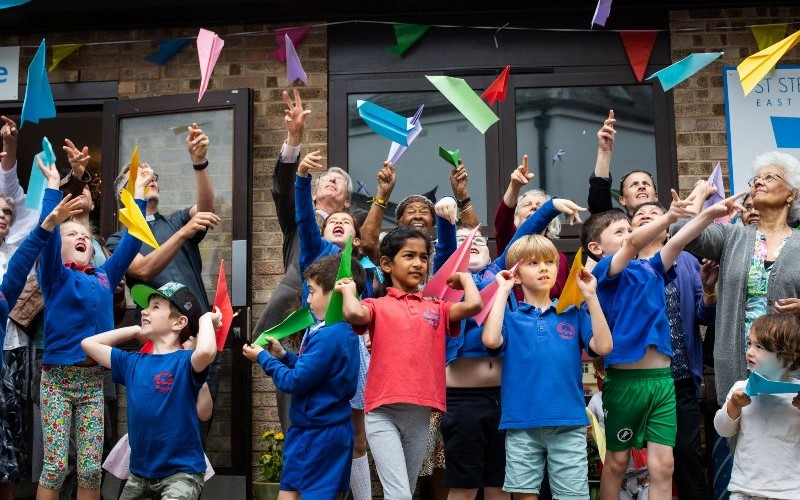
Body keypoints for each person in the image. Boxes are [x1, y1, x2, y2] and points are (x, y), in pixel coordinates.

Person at [580, 187, 727, 500]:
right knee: (618, 461)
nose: (630, 234)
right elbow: (636, 242)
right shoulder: (605, 272)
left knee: (664, 465)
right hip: (625, 383)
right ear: (596, 247)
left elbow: (676, 241)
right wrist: (671, 215)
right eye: (619, 230)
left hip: (663, 382)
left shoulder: (651, 269)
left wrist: (709, 215)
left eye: (629, 229)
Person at [337, 227, 482, 500]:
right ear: (386, 264)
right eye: (409, 256)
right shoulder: (376, 305)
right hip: (382, 412)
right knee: (400, 494)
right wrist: (348, 290)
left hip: (420, 414)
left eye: (424, 257)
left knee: (407, 489)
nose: (418, 263)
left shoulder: (437, 307)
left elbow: (474, 306)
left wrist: (465, 279)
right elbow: (354, 313)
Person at [35, 161, 149, 500]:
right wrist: (53, 188)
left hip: (91, 383)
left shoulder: (103, 276)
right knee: (55, 466)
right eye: (72, 235)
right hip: (57, 381)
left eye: (85, 234)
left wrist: (137, 194)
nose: (81, 236)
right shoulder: (55, 276)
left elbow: (131, 242)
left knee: (88, 467)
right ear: (60, 246)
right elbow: (45, 238)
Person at [250, 90, 353, 434]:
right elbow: (282, 189)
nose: (331, 180)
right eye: (326, 177)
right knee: (293, 410)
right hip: (295, 321)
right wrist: (294, 139)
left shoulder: (353, 235)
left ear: (348, 202)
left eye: (338, 181)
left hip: (341, 328)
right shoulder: (299, 222)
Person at [481, 234, 612, 500]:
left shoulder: (573, 312)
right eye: (533, 263)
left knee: (572, 497)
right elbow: (491, 340)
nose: (544, 268)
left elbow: (604, 346)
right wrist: (502, 291)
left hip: (568, 422)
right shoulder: (510, 315)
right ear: (516, 275)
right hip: (521, 424)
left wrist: (591, 297)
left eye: (549, 262)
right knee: (524, 496)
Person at [670, 151, 800, 407]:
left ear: (791, 194)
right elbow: (679, 233)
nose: (758, 182)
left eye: (769, 177)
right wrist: (701, 196)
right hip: (738, 366)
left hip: (791, 369)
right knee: (738, 438)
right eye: (756, 179)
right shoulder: (732, 237)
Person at [80, 281, 220, 500]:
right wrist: (135, 330)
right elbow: (89, 344)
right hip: (139, 475)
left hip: (181, 473)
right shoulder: (132, 362)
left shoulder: (185, 361)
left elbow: (206, 351)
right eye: (146, 307)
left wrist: (205, 320)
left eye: (155, 307)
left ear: (179, 322)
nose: (144, 310)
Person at [243, 254, 366, 499]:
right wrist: (282, 355)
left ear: (335, 295)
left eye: (312, 291)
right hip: (310, 431)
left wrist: (263, 359)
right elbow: (313, 373)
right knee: (288, 492)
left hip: (320, 435)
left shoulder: (330, 336)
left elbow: (294, 381)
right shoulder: (338, 332)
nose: (307, 299)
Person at [0, 179, 82, 500]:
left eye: (7, 212)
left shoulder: (6, 288)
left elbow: (20, 266)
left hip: (13, 359)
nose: (3, 217)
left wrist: (48, 221)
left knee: (9, 443)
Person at [630, 201, 715, 498]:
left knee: (688, 456)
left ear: (667, 230)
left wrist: (708, 291)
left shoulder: (688, 262)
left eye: (654, 215)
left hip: (679, 381)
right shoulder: (623, 267)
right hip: (636, 382)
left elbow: (704, 317)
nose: (646, 218)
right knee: (633, 461)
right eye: (639, 216)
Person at [713, 313, 800, 499]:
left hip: (789, 492)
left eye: (760, 347)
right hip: (744, 489)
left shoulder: (798, 394)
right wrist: (733, 407)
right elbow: (722, 430)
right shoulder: (740, 388)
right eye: (749, 343)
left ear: (789, 358)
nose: (750, 352)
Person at [493, 154, 568, 297]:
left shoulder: (560, 259)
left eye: (540, 206)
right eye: (527, 205)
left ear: (550, 218)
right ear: (516, 216)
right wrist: (514, 187)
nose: (534, 208)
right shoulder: (510, 245)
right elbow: (502, 222)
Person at [587, 357, 650, 500]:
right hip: (617, 471)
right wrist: (589, 433)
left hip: (645, 470)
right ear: (602, 372)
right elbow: (589, 425)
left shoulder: (639, 393)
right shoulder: (597, 400)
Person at [588, 110, 659, 215]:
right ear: (622, 200)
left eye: (646, 183)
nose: (641, 187)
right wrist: (604, 152)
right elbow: (599, 202)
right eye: (634, 184)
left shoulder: (671, 225)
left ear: (656, 197)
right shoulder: (617, 226)